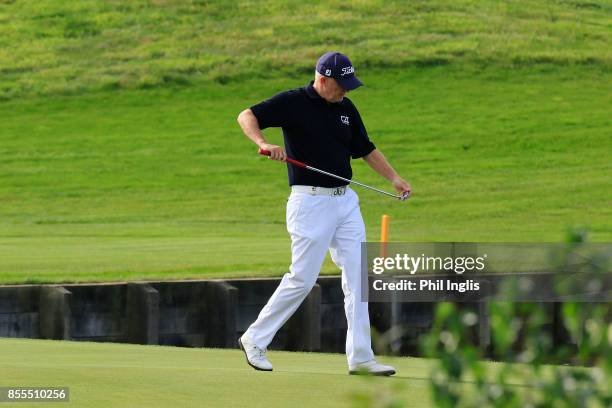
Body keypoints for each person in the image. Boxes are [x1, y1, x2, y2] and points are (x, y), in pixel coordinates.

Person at [236, 51, 411, 376]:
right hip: (310, 203)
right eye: (341, 85)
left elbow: (366, 149)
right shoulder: (293, 102)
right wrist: (263, 142)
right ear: (323, 79)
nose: (345, 91)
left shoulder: (345, 108)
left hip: (345, 202)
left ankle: (361, 357)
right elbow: (246, 115)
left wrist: (394, 178)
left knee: (358, 279)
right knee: (303, 278)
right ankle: (254, 338)